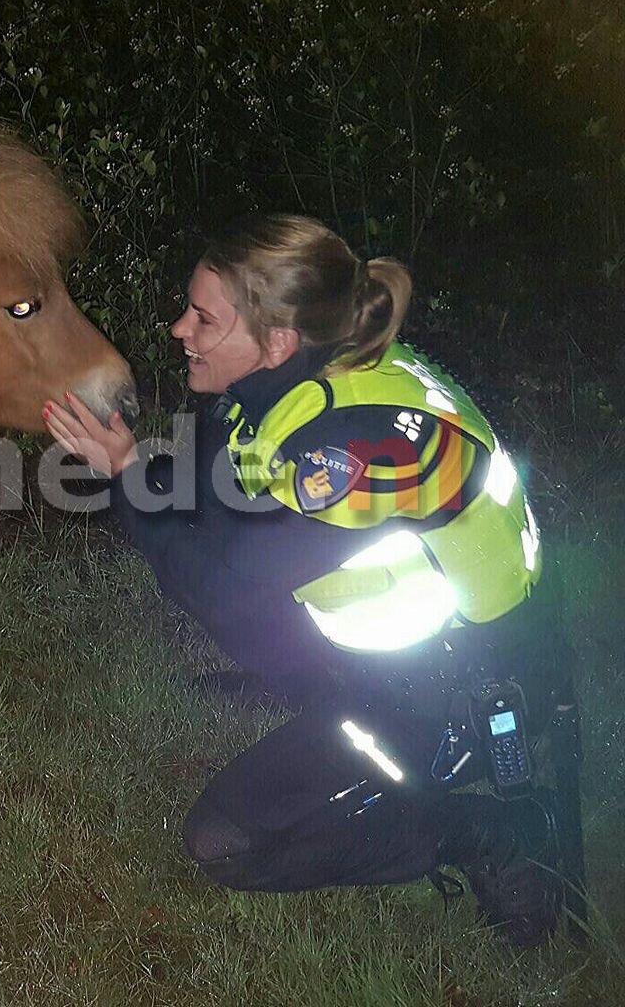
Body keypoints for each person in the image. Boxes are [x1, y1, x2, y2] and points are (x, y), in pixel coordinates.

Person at [44, 213, 570, 946]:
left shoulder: (352, 450)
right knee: (240, 588)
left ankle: (492, 830)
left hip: (459, 685)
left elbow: (225, 586)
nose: (177, 330)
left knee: (224, 842)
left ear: (277, 341)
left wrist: (128, 478)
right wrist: (131, 466)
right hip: (388, 647)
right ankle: (309, 687)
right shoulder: (282, 390)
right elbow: (215, 503)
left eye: (202, 317)